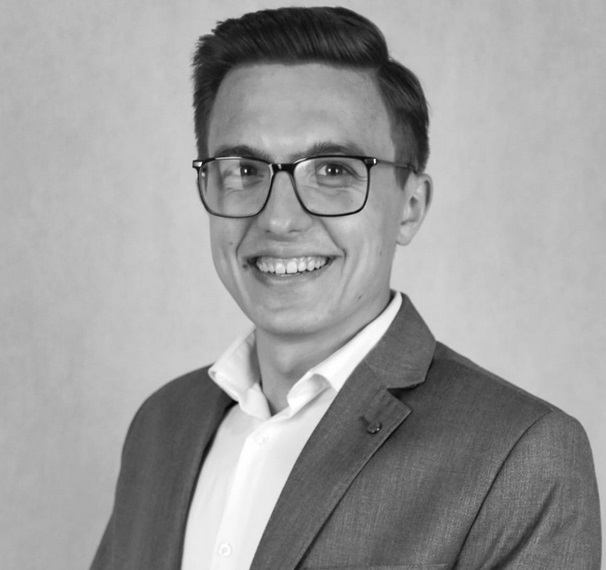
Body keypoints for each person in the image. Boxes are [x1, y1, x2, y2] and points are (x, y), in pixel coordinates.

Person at [91, 6, 601, 570]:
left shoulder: (518, 457)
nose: (279, 219)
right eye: (245, 170)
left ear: (410, 207)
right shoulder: (162, 426)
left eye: (333, 171)